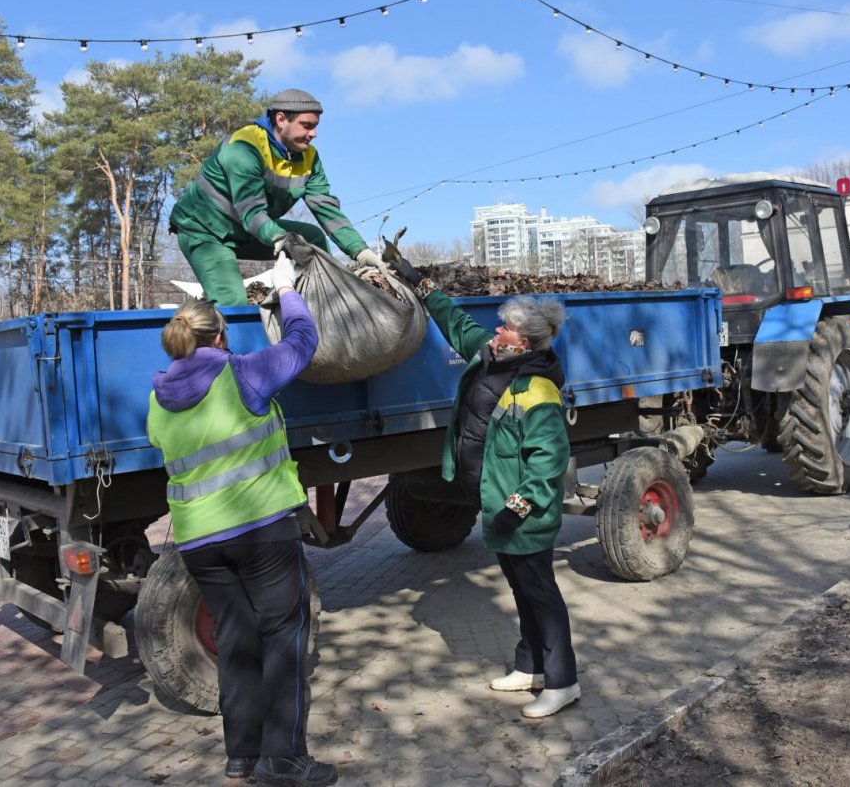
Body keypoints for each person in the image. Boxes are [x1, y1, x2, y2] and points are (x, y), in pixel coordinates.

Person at [146, 255, 338, 786]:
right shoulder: (242, 374)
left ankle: (242, 755)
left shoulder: (158, 400)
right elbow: (302, 344)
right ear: (219, 335)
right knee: (283, 637)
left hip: (199, 543)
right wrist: (287, 293)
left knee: (236, 640)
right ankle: (285, 760)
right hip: (261, 532)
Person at [387, 249, 580, 719]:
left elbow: (548, 464)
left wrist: (514, 507)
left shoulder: (538, 391)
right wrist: (420, 283)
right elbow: (454, 321)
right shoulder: (489, 357)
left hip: (521, 513)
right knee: (521, 588)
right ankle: (530, 666)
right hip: (495, 503)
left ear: (526, 342)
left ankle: (563, 681)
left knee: (540, 592)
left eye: (505, 329)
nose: (496, 332)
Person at [169, 88, 386, 307]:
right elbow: (252, 214)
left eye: (315, 126)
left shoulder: (309, 157)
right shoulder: (244, 148)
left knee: (314, 239)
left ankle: (331, 304)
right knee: (232, 303)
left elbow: (326, 207)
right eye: (307, 125)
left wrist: (360, 250)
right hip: (205, 231)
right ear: (281, 119)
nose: (314, 134)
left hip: (245, 230)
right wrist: (284, 241)